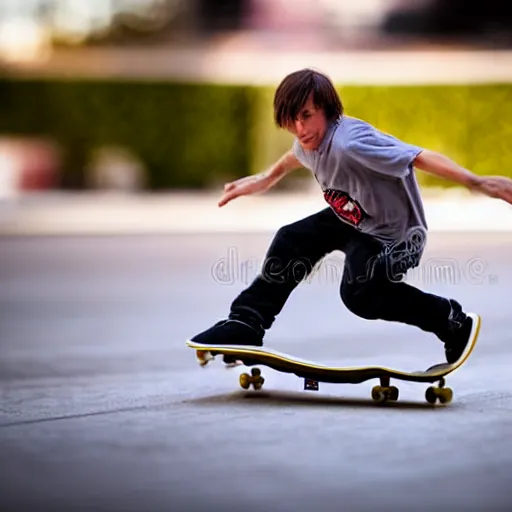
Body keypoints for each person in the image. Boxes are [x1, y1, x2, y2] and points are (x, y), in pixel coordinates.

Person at [188, 68, 512, 364]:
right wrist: (266, 178)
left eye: (307, 116)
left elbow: (417, 156)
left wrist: (476, 181)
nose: (300, 129)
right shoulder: (307, 141)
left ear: (327, 110)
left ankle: (450, 319)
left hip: (394, 237)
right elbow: (294, 156)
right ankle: (246, 321)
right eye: (292, 120)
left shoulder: (351, 143)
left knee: (360, 294)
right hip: (352, 219)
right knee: (292, 239)